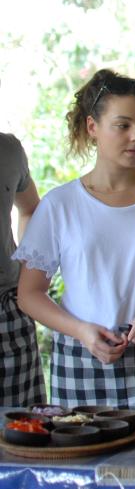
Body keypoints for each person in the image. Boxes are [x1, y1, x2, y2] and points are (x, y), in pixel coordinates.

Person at [15, 70, 135, 409]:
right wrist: (81, 331)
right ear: (93, 127)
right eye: (123, 125)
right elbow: (30, 294)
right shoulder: (61, 204)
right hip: (80, 359)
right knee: (78, 458)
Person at [1, 131, 45, 405]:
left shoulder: (8, 149)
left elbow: (30, 209)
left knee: (24, 431)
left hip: (6, 314)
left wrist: (28, 275)